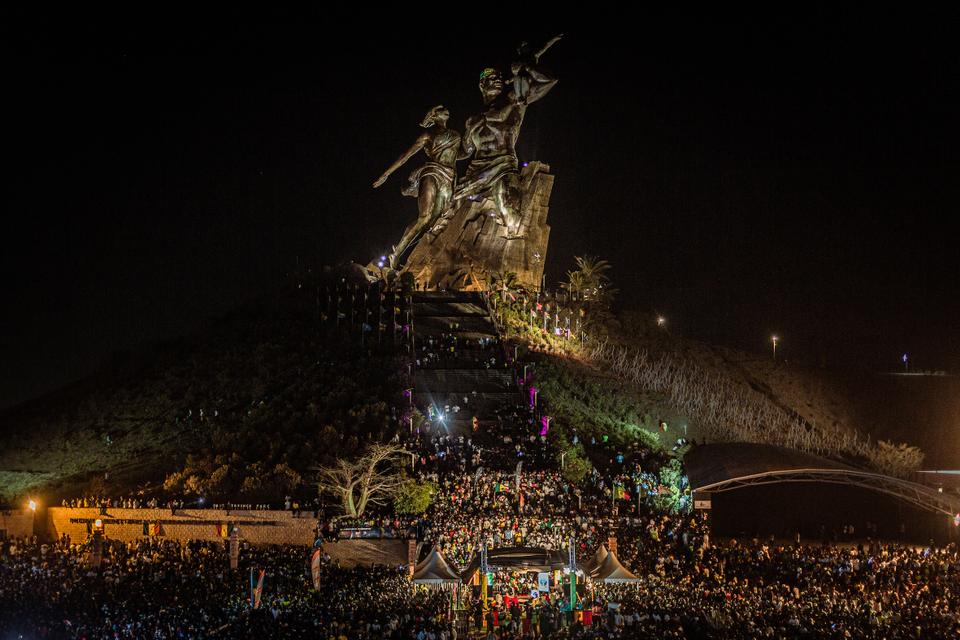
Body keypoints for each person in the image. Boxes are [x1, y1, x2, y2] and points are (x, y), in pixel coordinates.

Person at [440, 35, 560, 238]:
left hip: (503, 167)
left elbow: (549, 81)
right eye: (490, 78)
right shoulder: (472, 120)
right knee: (445, 206)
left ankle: (509, 244)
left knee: (507, 206)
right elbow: (465, 150)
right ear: (482, 85)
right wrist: (442, 152)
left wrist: (527, 68)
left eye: (498, 77)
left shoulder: (514, 102)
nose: (496, 79)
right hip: (475, 170)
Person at [374, 105, 461, 268]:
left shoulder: (456, 135)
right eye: (440, 109)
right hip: (432, 172)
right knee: (425, 217)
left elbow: (463, 153)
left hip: (449, 177)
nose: (446, 110)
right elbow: (405, 156)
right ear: (433, 115)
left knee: (440, 219)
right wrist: (386, 174)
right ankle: (397, 253)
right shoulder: (428, 134)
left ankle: (428, 257)